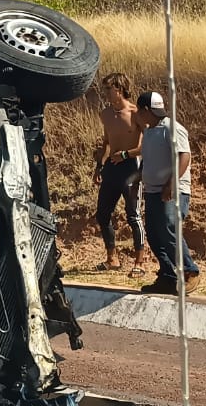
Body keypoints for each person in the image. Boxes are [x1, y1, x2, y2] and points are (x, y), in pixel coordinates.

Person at [135, 91, 202, 295]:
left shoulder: (172, 128)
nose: (138, 114)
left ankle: (191, 272)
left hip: (173, 191)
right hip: (153, 191)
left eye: (140, 111)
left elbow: (184, 156)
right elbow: (146, 160)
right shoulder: (148, 132)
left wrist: (171, 184)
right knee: (155, 235)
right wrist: (137, 180)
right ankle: (167, 276)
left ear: (146, 110)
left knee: (169, 230)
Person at [93, 73, 146, 277]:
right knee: (102, 214)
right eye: (105, 89)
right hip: (111, 169)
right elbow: (106, 142)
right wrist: (99, 166)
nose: (105, 92)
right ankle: (112, 258)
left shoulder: (135, 113)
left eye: (108, 89)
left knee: (133, 216)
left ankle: (140, 261)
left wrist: (125, 154)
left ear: (119, 88)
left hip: (131, 168)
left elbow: (146, 145)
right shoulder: (105, 114)